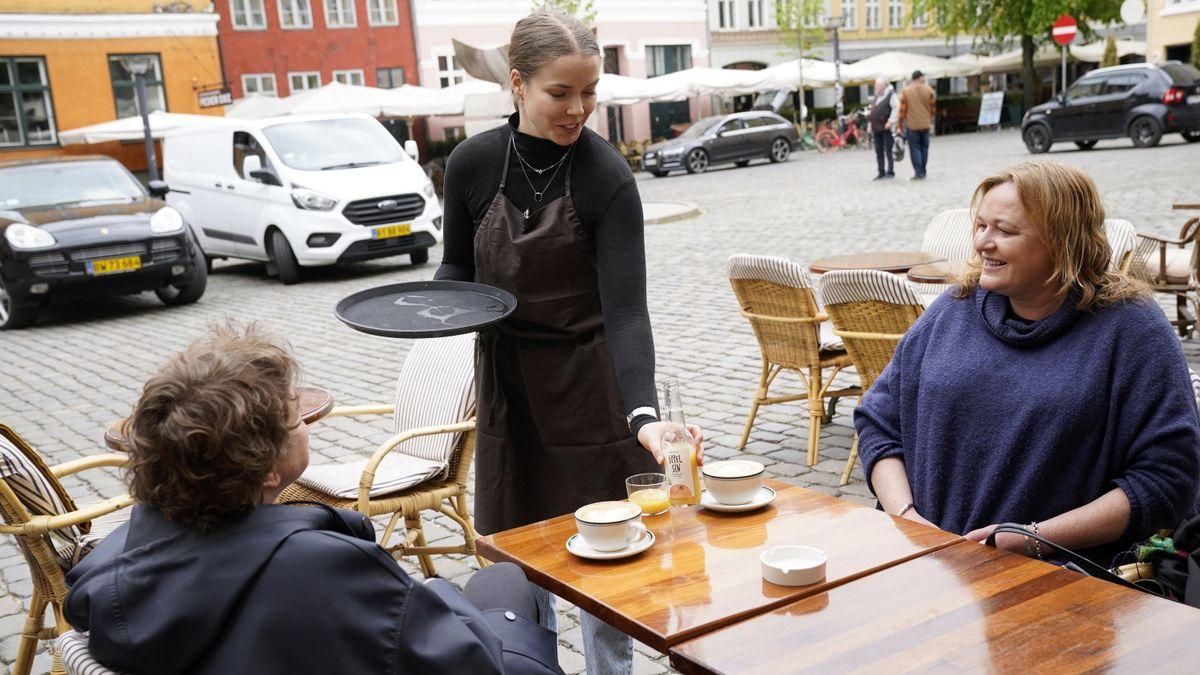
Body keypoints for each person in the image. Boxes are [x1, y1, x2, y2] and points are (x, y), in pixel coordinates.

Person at [434, 10, 704, 674]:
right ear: (519, 84)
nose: (579, 109)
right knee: (520, 562)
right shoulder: (470, 165)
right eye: (562, 92)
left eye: (591, 92)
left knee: (606, 569)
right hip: (508, 393)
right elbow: (456, 271)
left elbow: (627, 314)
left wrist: (643, 416)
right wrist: (428, 308)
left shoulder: (605, 178)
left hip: (590, 391)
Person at [64, 325, 563, 675]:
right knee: (503, 579)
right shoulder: (318, 568)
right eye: (296, 419)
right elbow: (464, 662)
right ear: (265, 468)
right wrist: (454, 607)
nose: (307, 422)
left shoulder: (118, 559)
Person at [854, 161, 1200, 568]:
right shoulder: (951, 311)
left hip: (1059, 587)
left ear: (1063, 241)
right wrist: (908, 520)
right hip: (929, 569)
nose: (983, 243)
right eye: (981, 226)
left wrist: (1031, 540)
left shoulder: (1131, 329)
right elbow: (879, 421)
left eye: (1005, 230)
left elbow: (1167, 478)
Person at [899, 70, 935, 180]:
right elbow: (933, 108)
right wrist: (929, 118)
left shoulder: (906, 91)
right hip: (925, 123)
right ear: (919, 77)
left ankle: (918, 172)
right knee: (924, 148)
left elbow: (902, 110)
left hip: (912, 125)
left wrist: (900, 124)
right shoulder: (928, 90)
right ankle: (923, 170)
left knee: (915, 149)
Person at [870, 76, 899, 180]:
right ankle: (881, 171)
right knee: (878, 151)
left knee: (888, 150)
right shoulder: (877, 96)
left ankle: (890, 171)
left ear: (883, 85)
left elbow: (896, 108)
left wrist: (891, 121)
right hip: (876, 128)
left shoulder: (891, 94)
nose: (875, 87)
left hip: (886, 128)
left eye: (877, 85)